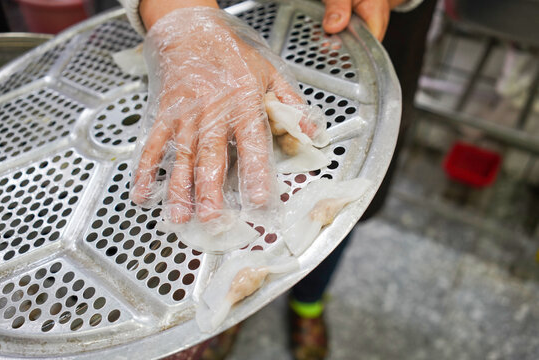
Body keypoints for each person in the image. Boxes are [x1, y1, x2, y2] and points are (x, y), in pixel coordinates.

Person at [118, 0, 436, 359]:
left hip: (341, 42)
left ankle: (309, 301)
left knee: (336, 203)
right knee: (202, 179)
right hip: (212, 21)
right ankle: (229, 306)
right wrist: (175, 13)